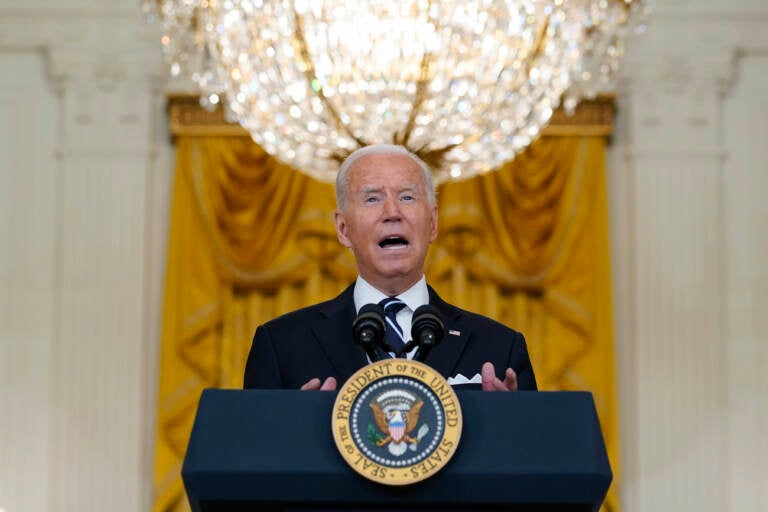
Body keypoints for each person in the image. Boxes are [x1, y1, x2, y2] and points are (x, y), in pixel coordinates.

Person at [244, 144, 537, 391]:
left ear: (433, 223)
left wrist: (505, 425)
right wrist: (295, 429)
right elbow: (250, 454)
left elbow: (535, 453)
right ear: (343, 228)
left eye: (407, 197)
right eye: (372, 198)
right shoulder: (281, 345)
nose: (392, 212)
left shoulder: (499, 347)